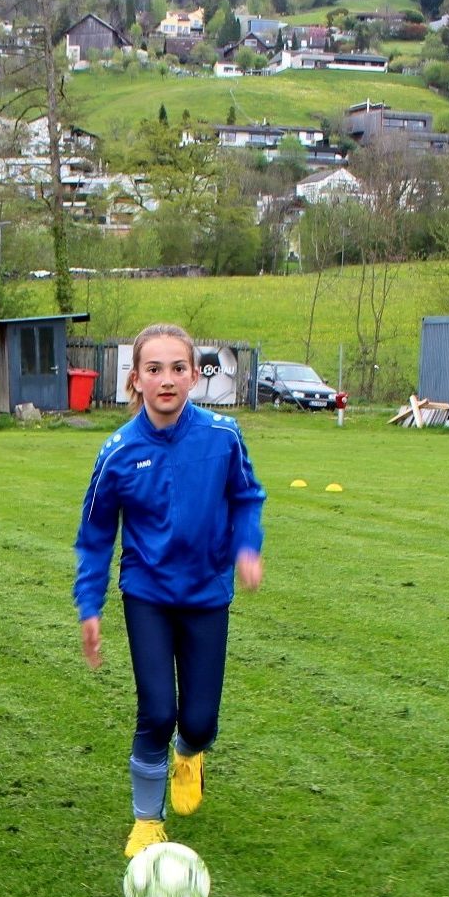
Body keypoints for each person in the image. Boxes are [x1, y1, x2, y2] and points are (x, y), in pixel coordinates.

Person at [73, 322, 265, 859]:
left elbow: (248, 497)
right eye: (153, 369)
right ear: (135, 380)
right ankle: (146, 822)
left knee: (199, 722)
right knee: (157, 710)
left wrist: (247, 546)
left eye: (178, 368)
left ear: (194, 376)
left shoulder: (223, 437)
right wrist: (90, 606)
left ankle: (190, 755)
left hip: (207, 595)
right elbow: (94, 538)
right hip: (148, 596)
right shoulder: (116, 453)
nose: (166, 379)